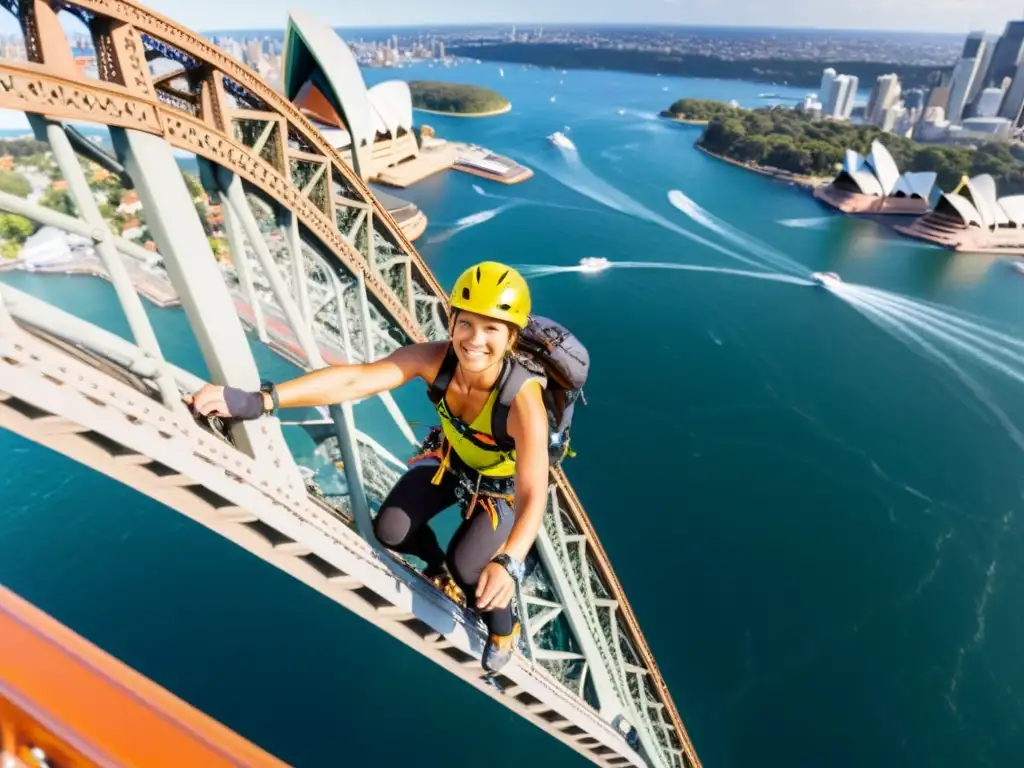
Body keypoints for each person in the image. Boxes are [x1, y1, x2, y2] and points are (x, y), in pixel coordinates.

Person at [187, 261, 550, 673]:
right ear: (451, 320)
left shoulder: (522, 402)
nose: (474, 340)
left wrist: (509, 561)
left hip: (498, 490)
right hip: (452, 460)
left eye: (492, 329)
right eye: (466, 324)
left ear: (511, 338)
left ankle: (505, 629)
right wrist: (260, 399)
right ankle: (437, 568)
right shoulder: (434, 359)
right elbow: (355, 381)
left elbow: (533, 491)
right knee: (391, 530)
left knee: (472, 569)